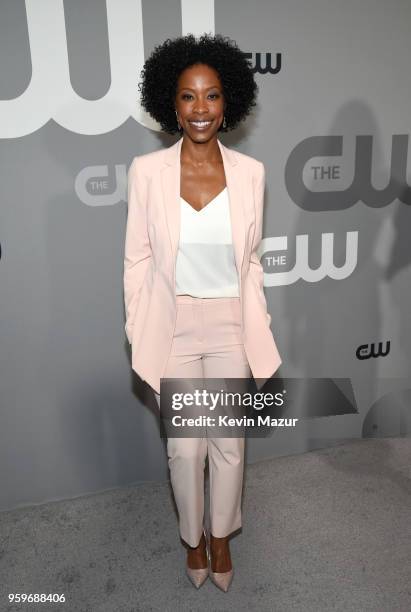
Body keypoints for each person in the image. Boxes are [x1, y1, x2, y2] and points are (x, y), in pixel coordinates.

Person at [123, 33, 282, 592]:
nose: (200, 109)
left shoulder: (252, 173)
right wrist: (139, 327)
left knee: (228, 445)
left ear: (228, 103)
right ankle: (193, 537)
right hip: (175, 327)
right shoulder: (146, 171)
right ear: (172, 102)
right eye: (188, 97)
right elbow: (137, 260)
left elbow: (253, 259)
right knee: (185, 449)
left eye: (211, 96)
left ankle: (221, 537)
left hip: (230, 325)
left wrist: (255, 319)